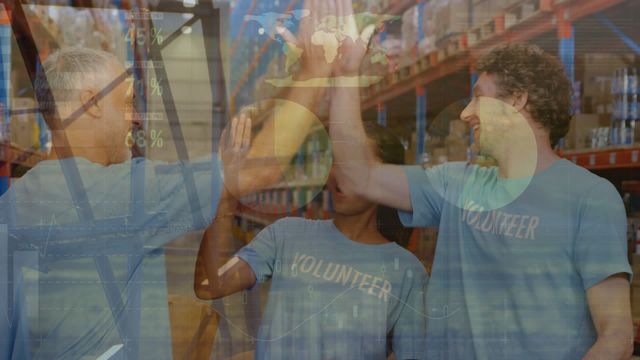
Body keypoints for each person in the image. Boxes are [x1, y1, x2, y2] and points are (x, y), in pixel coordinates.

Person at [319, 2, 632, 358]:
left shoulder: (589, 198)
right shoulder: (455, 184)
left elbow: (616, 334)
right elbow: (357, 176)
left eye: (479, 98)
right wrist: (345, 74)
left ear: (516, 100)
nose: (466, 113)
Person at [0, 44, 325, 359]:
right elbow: (260, 171)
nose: (136, 118)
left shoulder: (18, 199)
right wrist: (315, 71)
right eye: (126, 102)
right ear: (92, 103)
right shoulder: (111, 195)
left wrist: (224, 193)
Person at [195, 120, 428, 360]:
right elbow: (210, 285)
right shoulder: (287, 235)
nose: (340, 173)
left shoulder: (406, 273)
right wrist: (226, 194)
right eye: (334, 161)